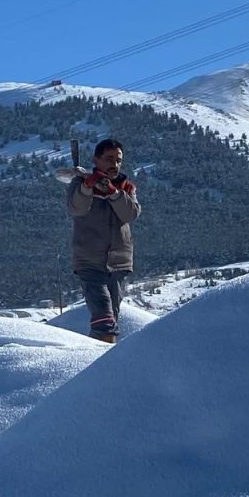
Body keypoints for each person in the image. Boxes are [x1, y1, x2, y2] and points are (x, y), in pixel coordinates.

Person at [67, 138, 140, 343]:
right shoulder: (80, 184)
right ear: (96, 160)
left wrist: (113, 193)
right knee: (104, 317)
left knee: (112, 315)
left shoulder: (126, 187)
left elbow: (130, 214)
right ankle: (100, 358)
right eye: (109, 159)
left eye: (118, 160)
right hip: (89, 261)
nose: (114, 164)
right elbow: (76, 208)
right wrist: (88, 188)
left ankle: (99, 356)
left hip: (118, 263)